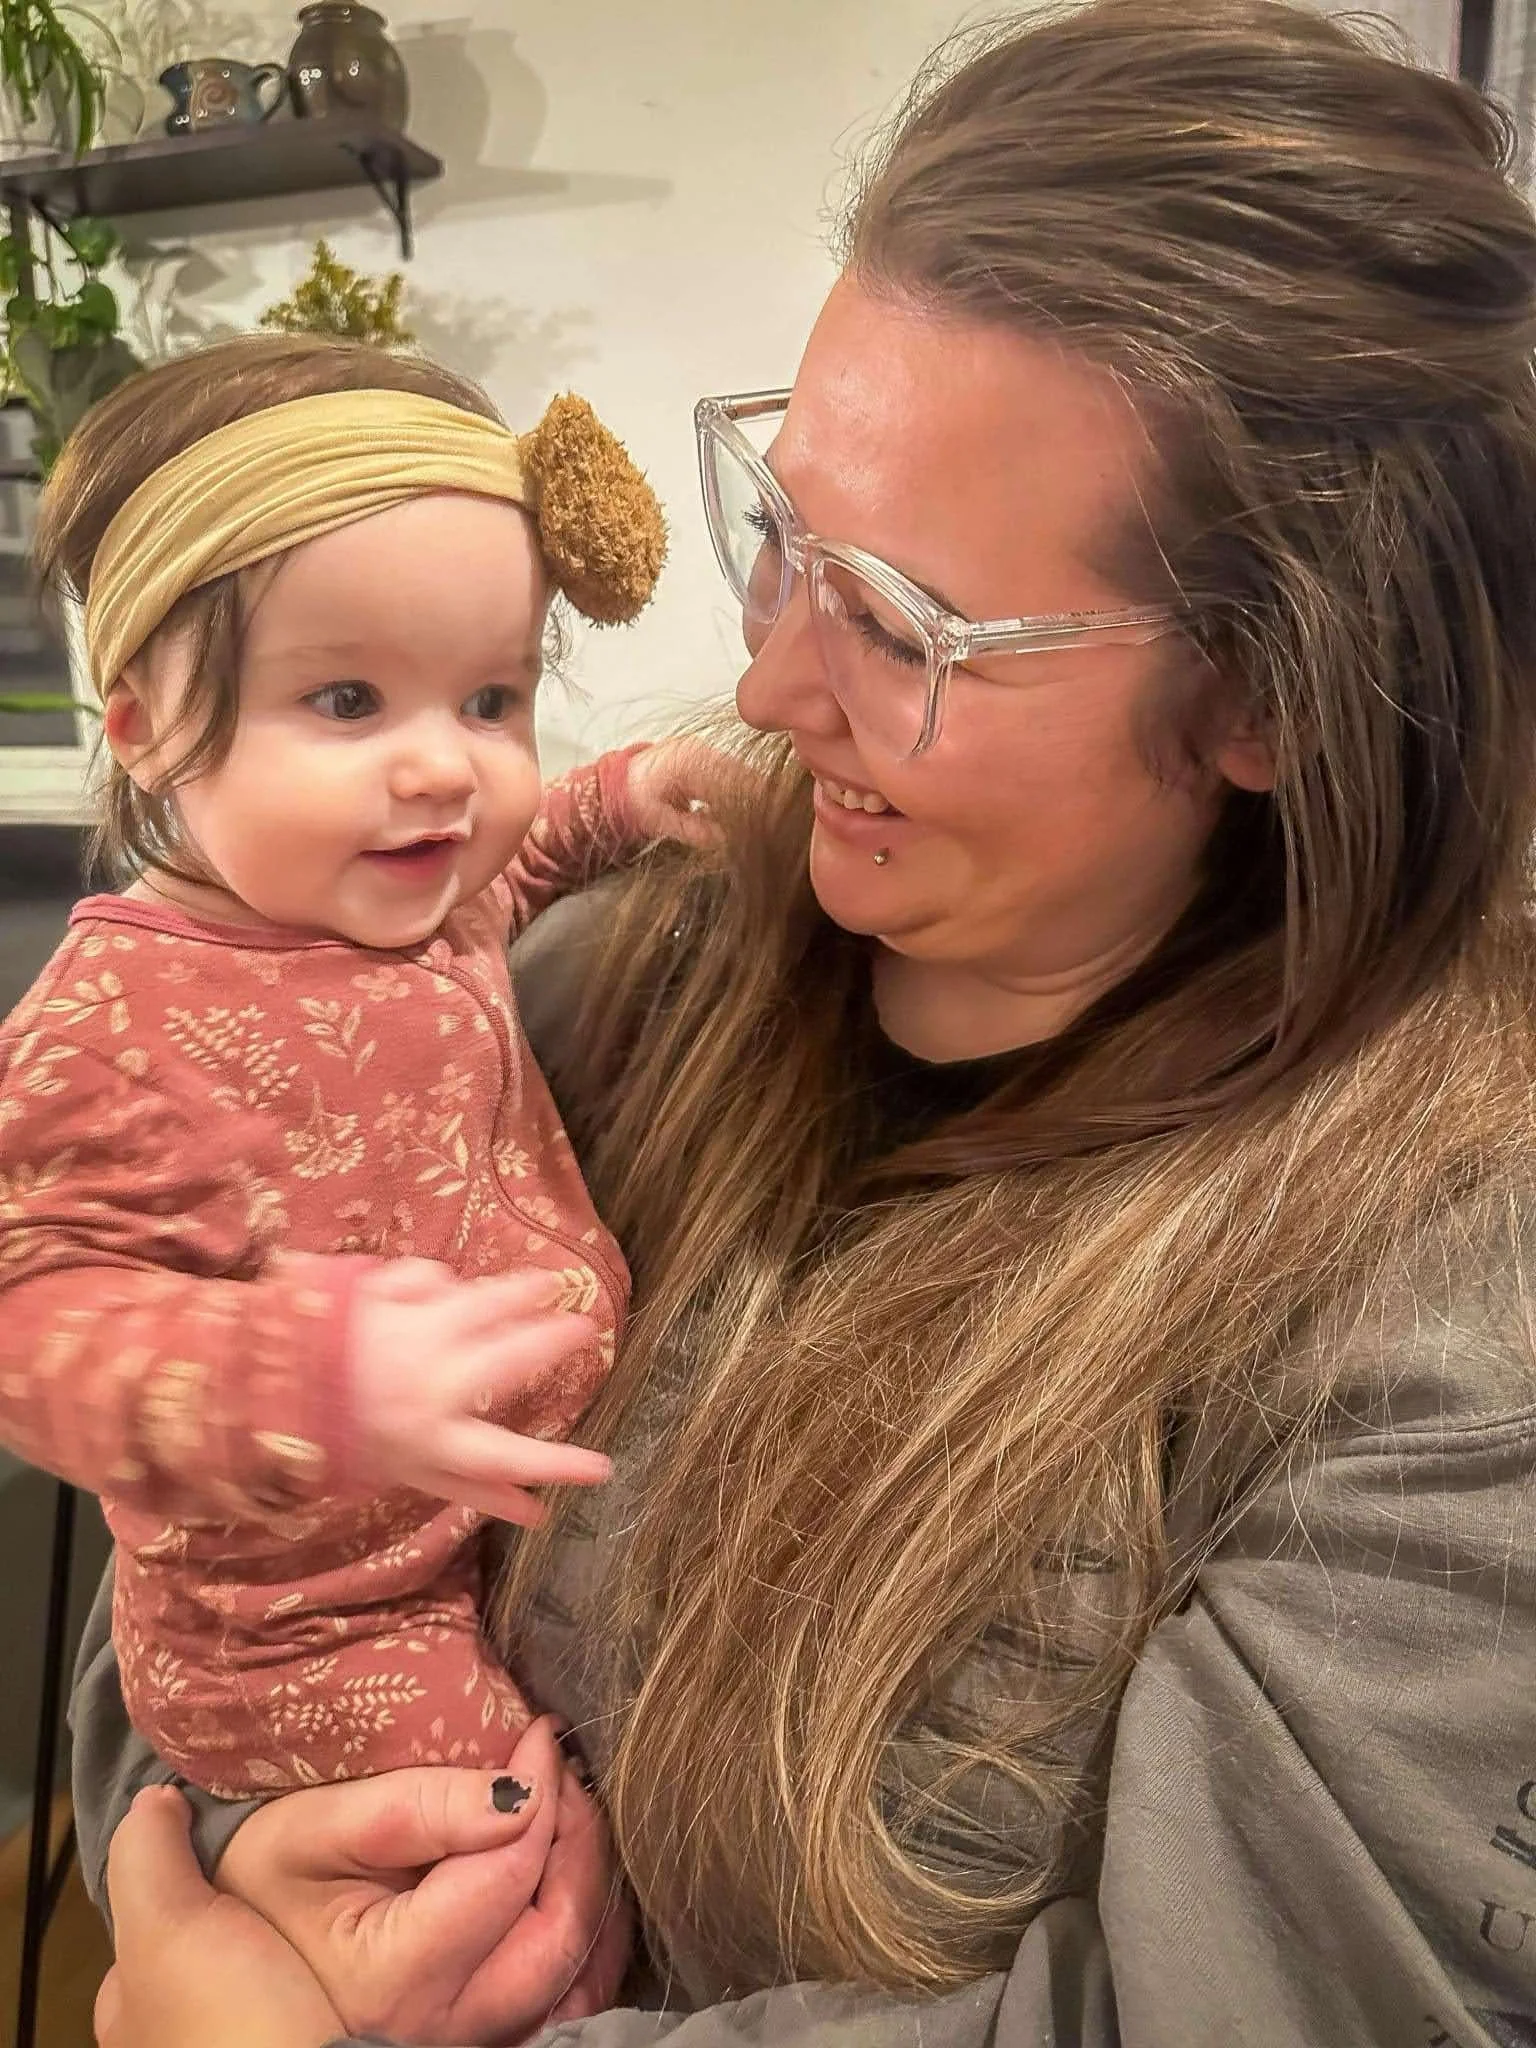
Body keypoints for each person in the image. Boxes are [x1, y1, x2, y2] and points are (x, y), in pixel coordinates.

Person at [74, 0, 1536, 2041]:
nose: (763, 688)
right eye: (784, 530)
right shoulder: (613, 949)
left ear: (1277, 699)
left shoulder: (1457, 1333)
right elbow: (205, 1487)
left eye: (907, 624)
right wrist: (212, 1856)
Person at [0, 333, 712, 1800]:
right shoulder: (111, 1023)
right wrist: (304, 1379)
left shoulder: (407, 904)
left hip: (481, 1531)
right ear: (138, 724)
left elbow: (512, 876)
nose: (447, 767)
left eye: (491, 700)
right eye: (345, 703)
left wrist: (624, 794)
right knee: (532, 1863)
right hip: (306, 1626)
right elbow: (27, 1320)